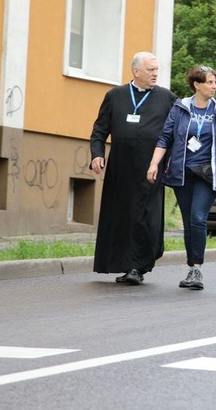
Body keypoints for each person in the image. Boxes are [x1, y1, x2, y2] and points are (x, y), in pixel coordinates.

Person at [90, 52, 177, 285]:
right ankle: (124, 264)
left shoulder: (167, 98)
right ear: (136, 71)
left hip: (151, 169)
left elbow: (176, 133)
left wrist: (170, 164)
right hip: (120, 168)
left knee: (144, 217)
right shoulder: (115, 96)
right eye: (151, 70)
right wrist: (97, 155)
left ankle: (138, 266)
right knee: (123, 216)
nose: (155, 74)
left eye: (157, 69)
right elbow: (99, 130)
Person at [146, 65, 216, 290]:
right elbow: (165, 137)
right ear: (197, 84)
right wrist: (155, 163)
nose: (214, 86)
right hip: (182, 173)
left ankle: (197, 268)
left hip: (208, 173)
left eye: (215, 82)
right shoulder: (180, 108)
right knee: (188, 222)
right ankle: (191, 267)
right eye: (209, 82)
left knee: (198, 218)